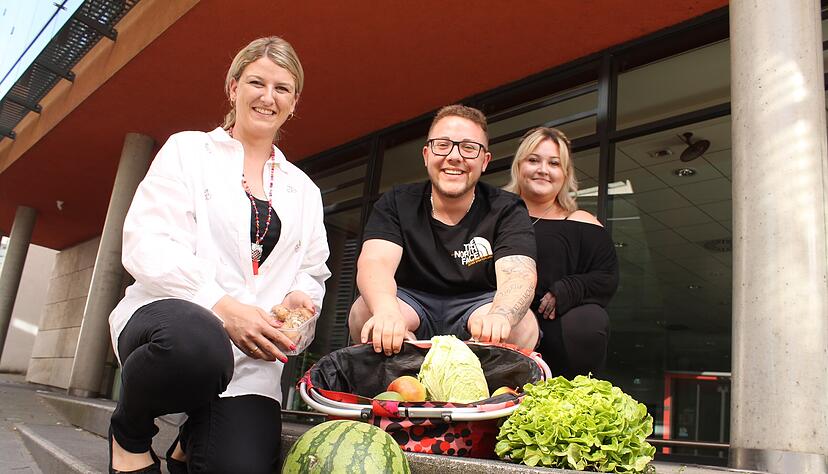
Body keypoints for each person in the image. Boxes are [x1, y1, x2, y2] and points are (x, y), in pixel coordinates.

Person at [107, 36, 330, 474]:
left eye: (281, 88)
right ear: (233, 88)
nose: (268, 97)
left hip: (249, 366)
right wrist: (223, 308)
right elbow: (145, 242)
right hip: (170, 325)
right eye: (256, 82)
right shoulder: (187, 151)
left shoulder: (304, 190)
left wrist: (298, 312)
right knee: (198, 342)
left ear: (294, 102)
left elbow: (312, 274)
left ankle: (191, 440)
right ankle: (130, 433)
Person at [348, 104, 539, 356]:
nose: (455, 156)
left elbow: (519, 273)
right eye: (443, 145)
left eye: (469, 148)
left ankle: (480, 390)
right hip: (411, 303)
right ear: (427, 154)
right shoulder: (397, 201)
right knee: (363, 313)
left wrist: (501, 316)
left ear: (485, 161)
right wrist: (386, 312)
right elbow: (375, 261)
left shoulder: (506, 207)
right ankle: (403, 382)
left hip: (478, 305)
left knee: (523, 327)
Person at [503, 127, 619, 378]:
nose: (543, 169)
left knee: (589, 320)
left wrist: (567, 288)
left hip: (561, 333)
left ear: (565, 174)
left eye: (554, 163)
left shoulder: (580, 221)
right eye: (533, 160)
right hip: (502, 328)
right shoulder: (494, 217)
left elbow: (607, 277)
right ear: (519, 166)